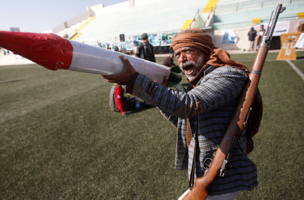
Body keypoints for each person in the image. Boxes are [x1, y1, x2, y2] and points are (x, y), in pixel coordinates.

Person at [102, 28, 262, 200]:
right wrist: (159, 93)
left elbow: (186, 105)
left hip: (224, 178)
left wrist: (133, 80)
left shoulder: (228, 75)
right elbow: (183, 119)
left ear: (204, 50)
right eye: (177, 54)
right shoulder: (203, 81)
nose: (181, 59)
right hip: (209, 173)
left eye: (187, 51)